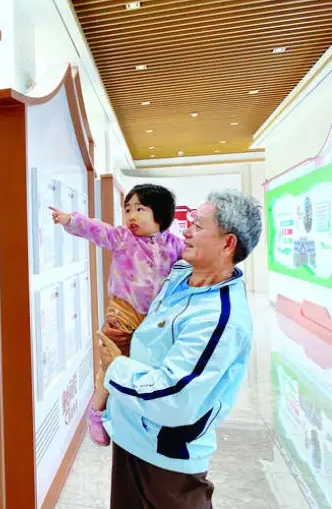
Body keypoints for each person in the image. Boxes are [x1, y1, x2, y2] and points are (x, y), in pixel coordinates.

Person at [98, 189, 262, 509]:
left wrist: (115, 365)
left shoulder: (220, 317)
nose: (186, 230)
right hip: (131, 434)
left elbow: (174, 397)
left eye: (198, 226)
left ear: (228, 243)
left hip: (166, 460)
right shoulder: (179, 275)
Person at [50, 183, 184, 446]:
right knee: (113, 358)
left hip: (158, 315)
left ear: (161, 213)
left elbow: (193, 265)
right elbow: (98, 230)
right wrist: (70, 220)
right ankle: (97, 410)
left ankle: (134, 412)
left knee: (144, 363)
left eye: (139, 209)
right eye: (128, 209)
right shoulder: (123, 238)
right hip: (123, 310)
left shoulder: (175, 245)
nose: (131, 215)